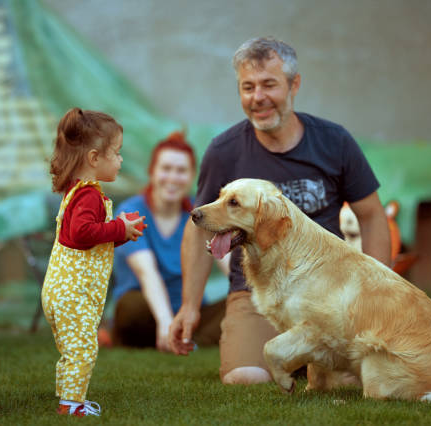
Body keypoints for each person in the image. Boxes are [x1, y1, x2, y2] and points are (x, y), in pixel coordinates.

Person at [169, 37, 391, 385]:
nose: (258, 98)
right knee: (245, 378)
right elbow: (200, 225)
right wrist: (190, 306)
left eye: (269, 84)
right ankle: (291, 358)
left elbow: (372, 215)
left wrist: (380, 290)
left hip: (331, 291)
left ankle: (311, 360)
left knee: (350, 382)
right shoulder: (224, 151)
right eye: (248, 87)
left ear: (294, 84)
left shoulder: (335, 142)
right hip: (257, 293)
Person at [41, 107, 145, 417]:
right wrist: (118, 227)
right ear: (94, 159)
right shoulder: (88, 195)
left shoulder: (77, 192)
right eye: (116, 152)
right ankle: (72, 406)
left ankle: (68, 399)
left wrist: (122, 232)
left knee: (73, 350)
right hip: (73, 294)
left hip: (63, 293)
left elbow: (89, 241)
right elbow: (83, 232)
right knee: (83, 349)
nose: (121, 160)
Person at [107, 132, 227, 351]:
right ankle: (168, 335)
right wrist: (165, 323)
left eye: (181, 171)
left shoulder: (200, 213)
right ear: (152, 172)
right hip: (146, 314)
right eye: (166, 169)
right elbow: (147, 273)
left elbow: (229, 264)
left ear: (191, 177)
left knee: (239, 302)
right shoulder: (131, 212)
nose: (173, 177)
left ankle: (186, 337)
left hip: (190, 312)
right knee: (132, 307)